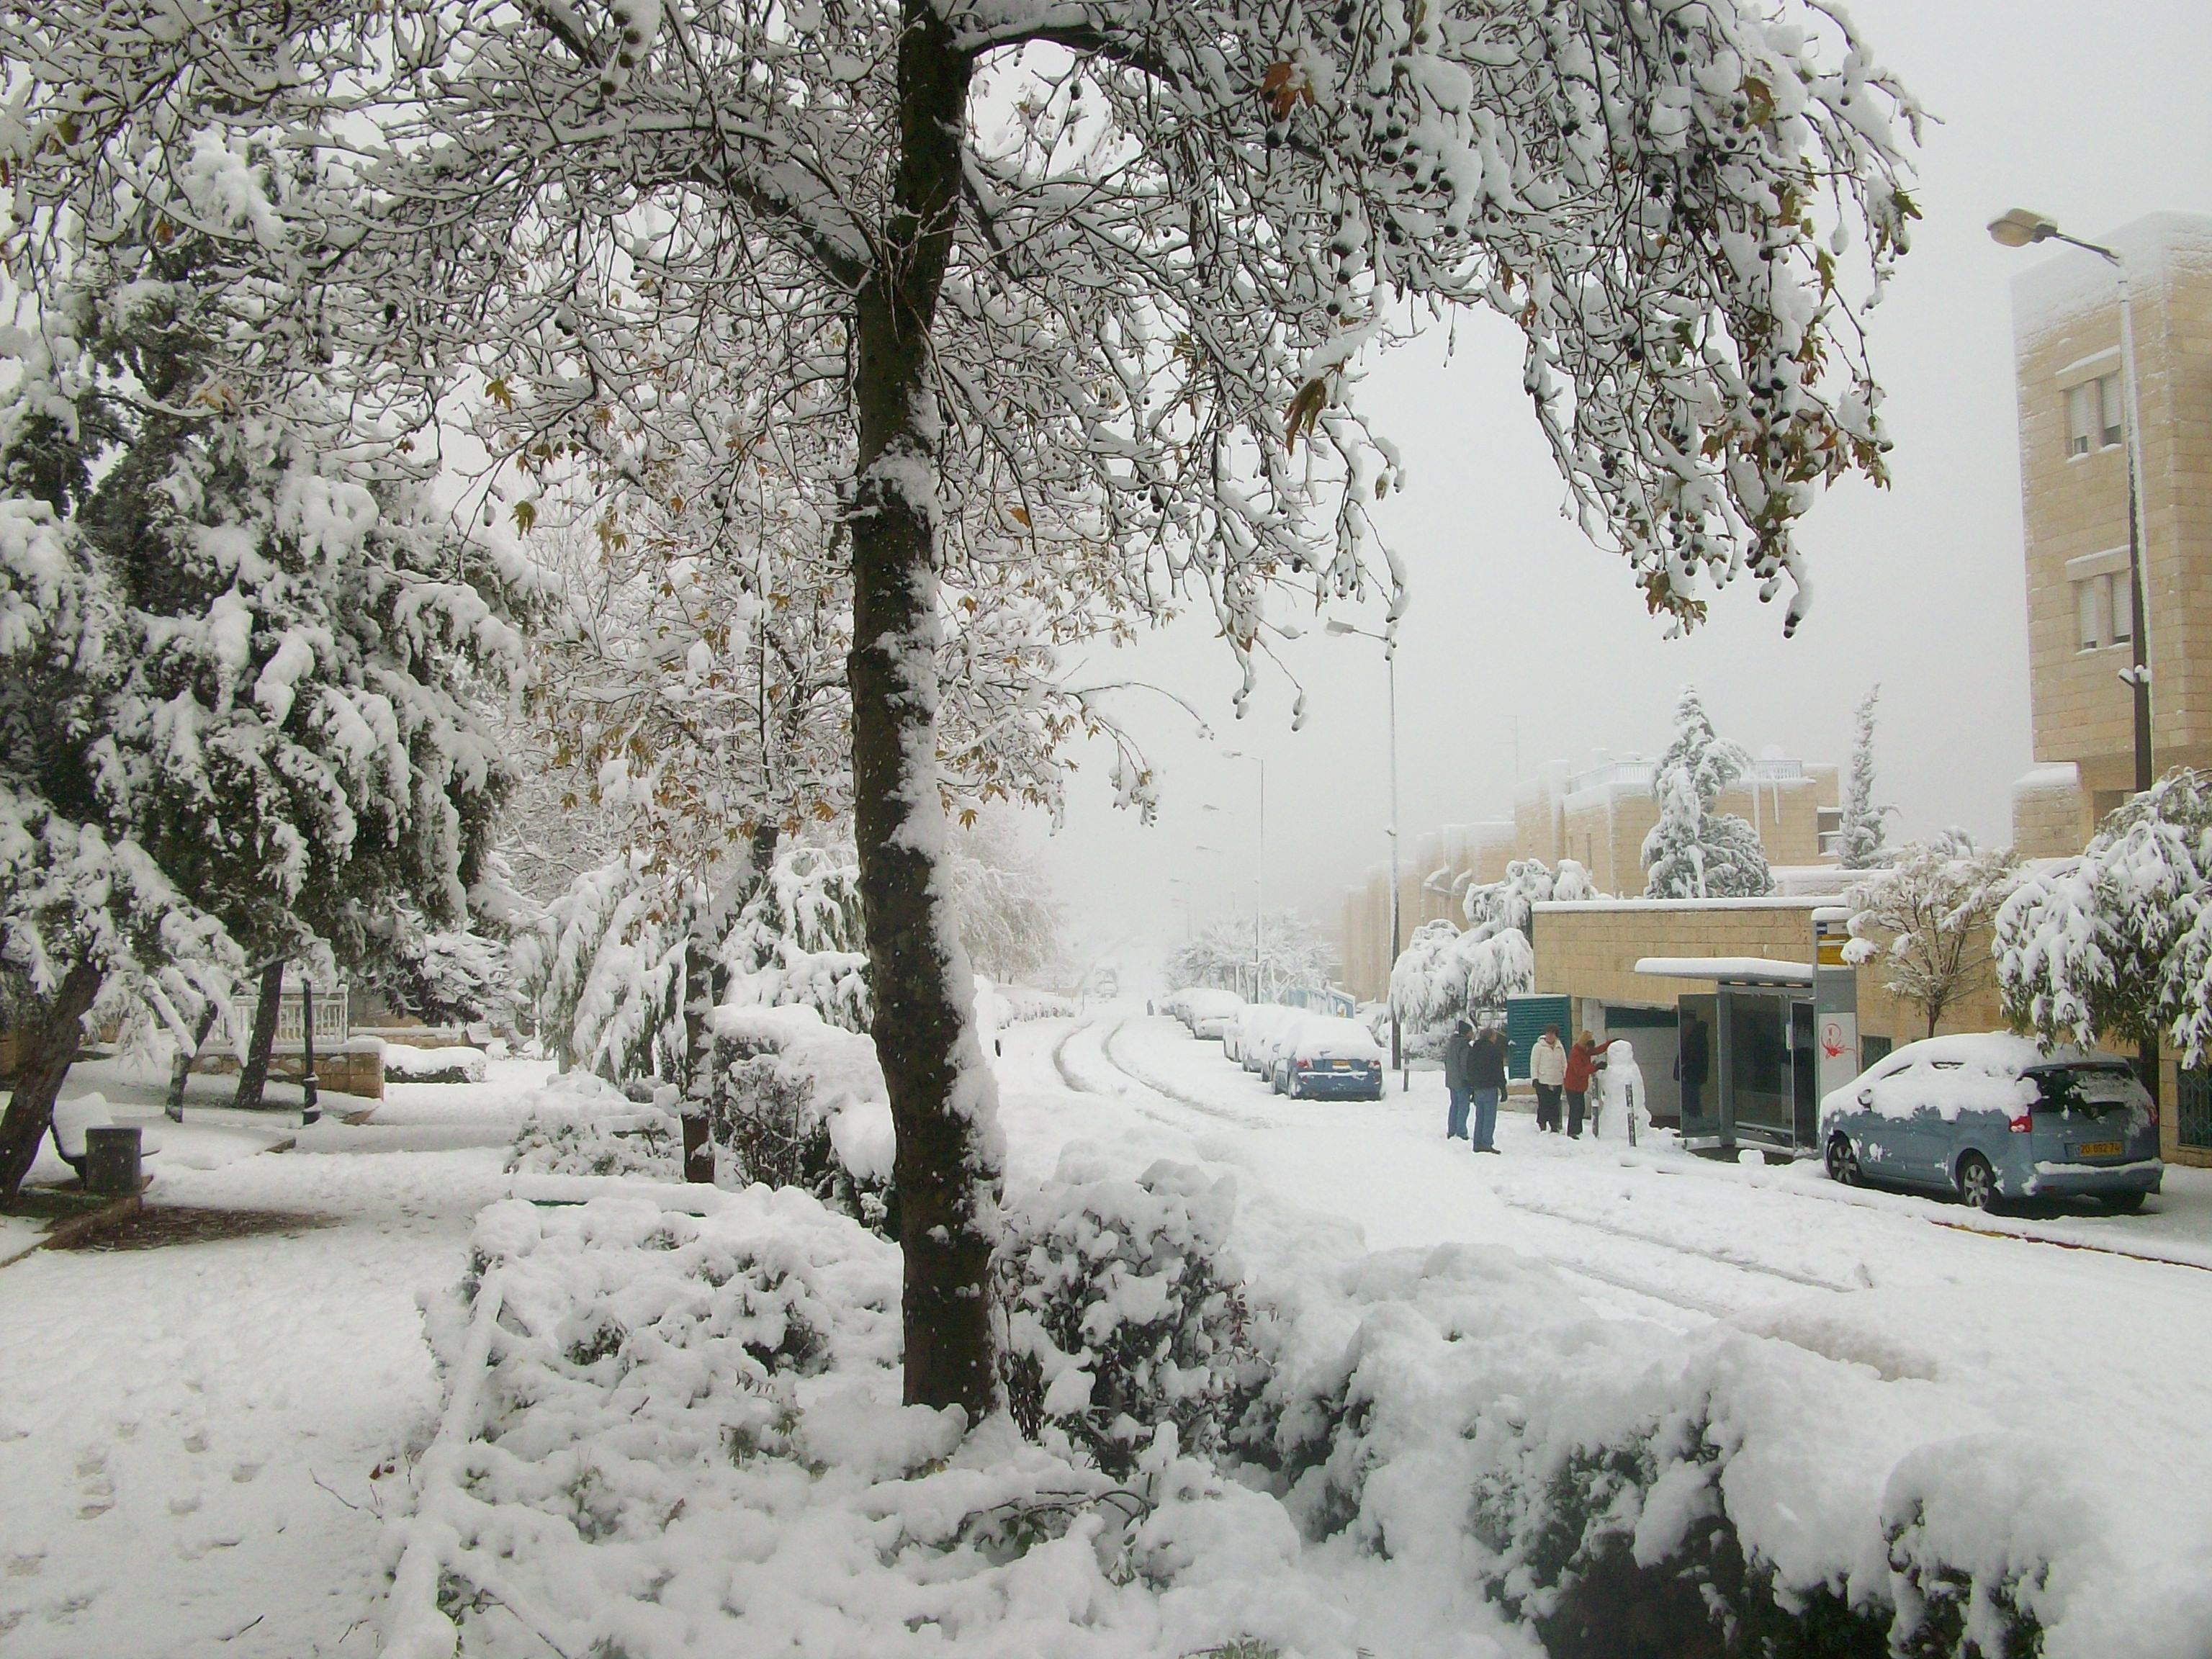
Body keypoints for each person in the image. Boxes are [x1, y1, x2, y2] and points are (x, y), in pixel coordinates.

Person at [1594, 1036, 1645, 1143]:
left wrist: (1600, 1074)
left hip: (1621, 1106)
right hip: (1622, 1105)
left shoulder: (1614, 1071)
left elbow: (1607, 1086)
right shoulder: (1633, 1068)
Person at [1468, 1021, 1509, 1154]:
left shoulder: (1474, 1049)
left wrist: (1472, 1087)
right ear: (1491, 1037)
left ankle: (1477, 1142)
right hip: (1490, 1087)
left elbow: (1470, 1069)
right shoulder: (1494, 1050)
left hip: (1478, 1087)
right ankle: (1486, 1143)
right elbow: (1498, 1071)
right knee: (1489, 1117)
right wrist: (1503, 1089)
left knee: (1480, 1116)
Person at [1563, 1030, 1605, 1140]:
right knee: (1575, 1109)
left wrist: (1610, 1043)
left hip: (1579, 1087)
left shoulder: (1585, 1051)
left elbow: (1597, 1050)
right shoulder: (1576, 1053)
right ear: (1584, 1045)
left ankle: (1578, 1131)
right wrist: (1595, 1067)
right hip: (1572, 1086)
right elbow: (1580, 1071)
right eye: (1588, 1048)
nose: (1590, 1050)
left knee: (1580, 1108)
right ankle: (1572, 1132)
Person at [1529, 1023, 1568, 1132]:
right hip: (1543, 1080)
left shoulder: (1560, 1047)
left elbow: (1564, 1063)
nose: (1550, 1036)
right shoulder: (1538, 1047)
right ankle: (1542, 1123)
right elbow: (1534, 1064)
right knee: (1544, 1104)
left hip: (1557, 1080)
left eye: (1552, 1034)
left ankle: (1554, 1124)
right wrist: (1535, 1078)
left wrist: (1565, 1076)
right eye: (1548, 1033)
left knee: (1555, 1104)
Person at [1442, 1017, 1476, 1141]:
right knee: (1463, 1106)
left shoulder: (1452, 1044)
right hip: (1461, 1081)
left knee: (1454, 1105)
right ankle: (1461, 1132)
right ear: (1467, 1033)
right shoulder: (1464, 1046)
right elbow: (1465, 1065)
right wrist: (1469, 1080)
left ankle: (1452, 1130)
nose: (1473, 1035)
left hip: (1451, 1080)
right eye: (1471, 1032)